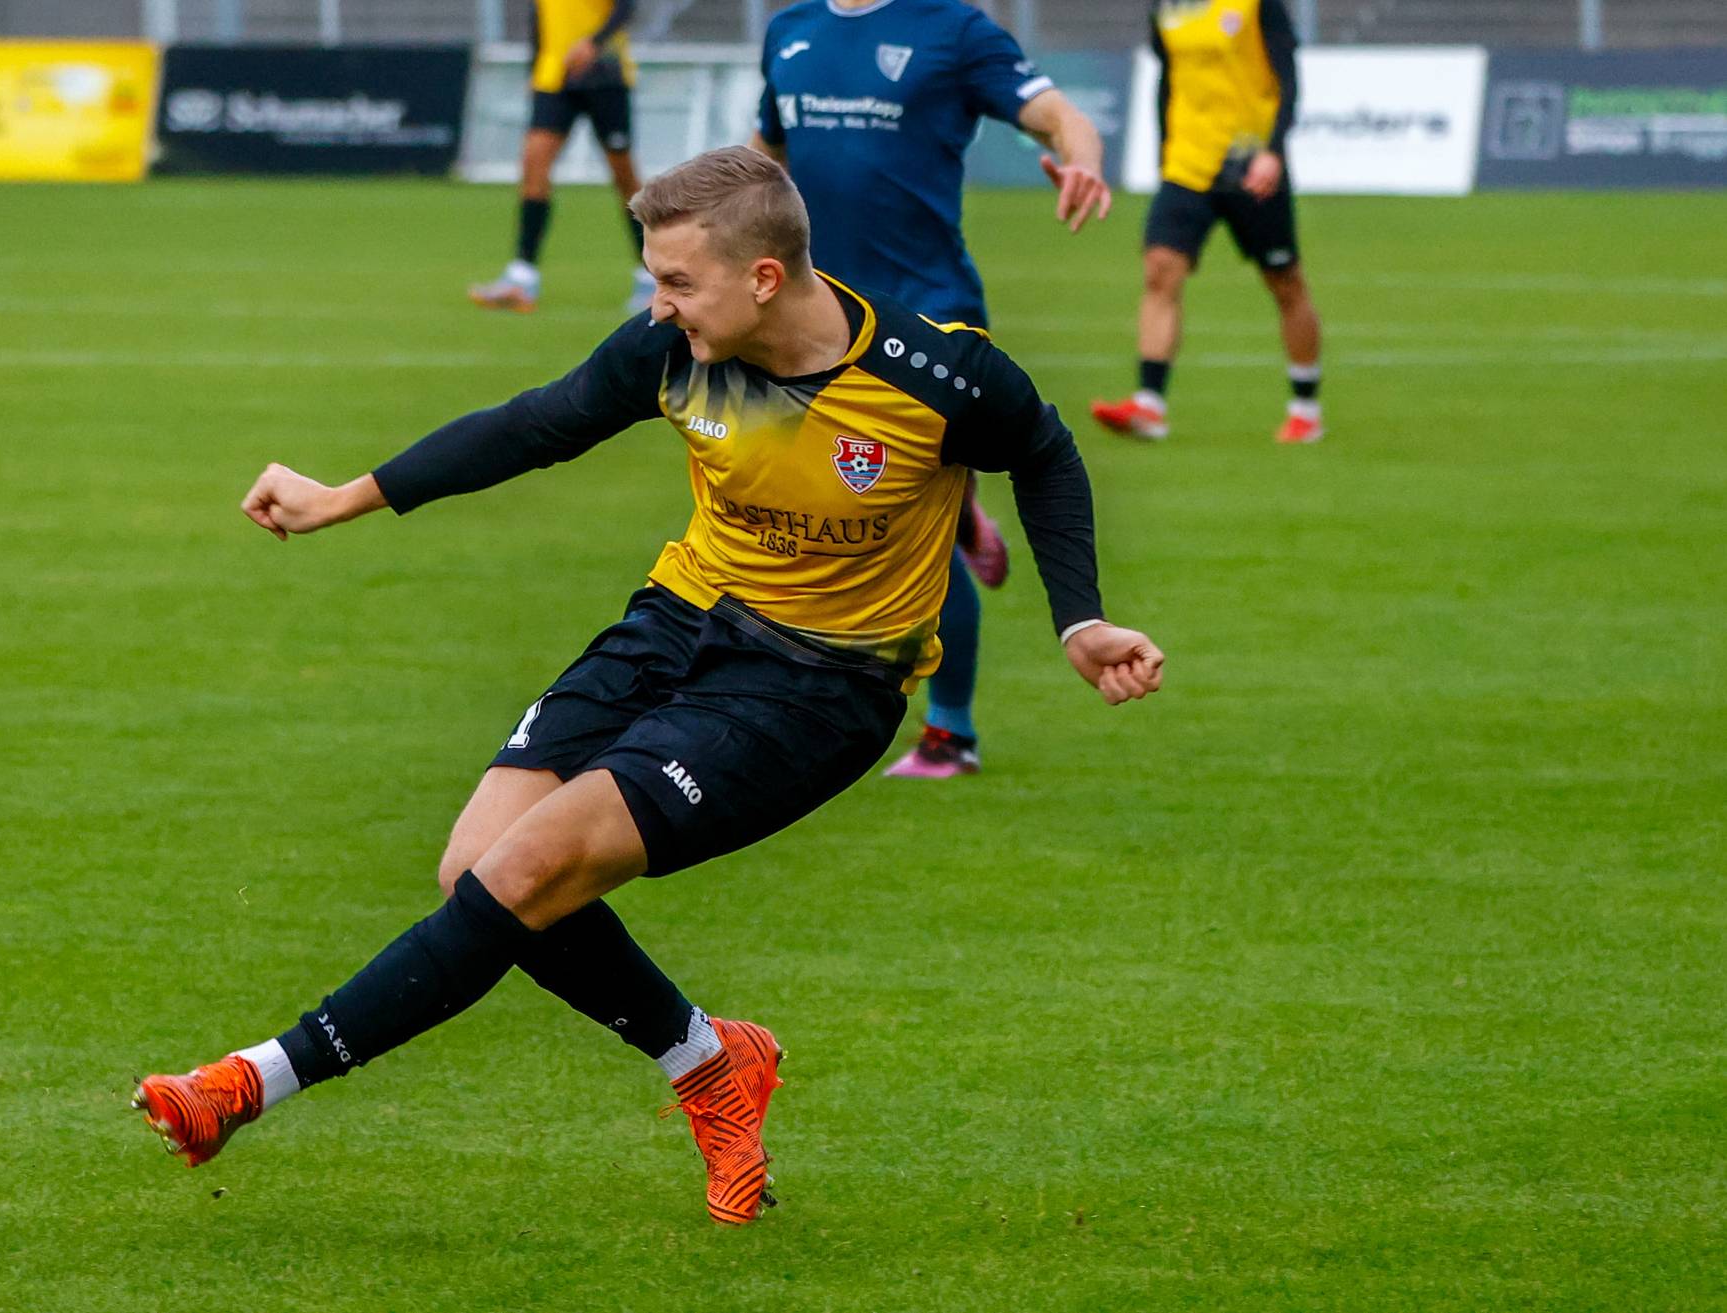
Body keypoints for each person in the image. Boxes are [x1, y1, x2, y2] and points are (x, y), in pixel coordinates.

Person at [134, 147, 1164, 1227]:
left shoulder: (933, 375)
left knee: (523, 871)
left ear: (764, 277)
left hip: (819, 686)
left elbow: (1044, 451)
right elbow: (540, 422)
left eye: (677, 281)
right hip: (675, 623)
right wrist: (343, 496)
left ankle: (244, 1083)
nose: (658, 303)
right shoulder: (674, 352)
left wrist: (1080, 620)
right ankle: (711, 1060)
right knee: (475, 871)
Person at [751, 0, 1115, 778]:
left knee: (913, 528)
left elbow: (1059, 115)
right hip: (817, 321)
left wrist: (1082, 160)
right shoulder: (790, 31)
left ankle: (951, 732)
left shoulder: (953, 30)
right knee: (822, 514)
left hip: (929, 315)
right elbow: (766, 156)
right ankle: (965, 513)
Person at [1091, 0, 1324, 445]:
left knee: (1285, 282)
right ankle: (1149, 405)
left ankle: (1305, 410)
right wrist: (1164, 154)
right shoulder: (1166, 6)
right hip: (1186, 165)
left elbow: (1288, 78)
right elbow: (1168, 78)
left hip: (1249, 162)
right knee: (1160, 269)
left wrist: (1274, 151)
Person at [469, 0, 656, 314]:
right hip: (553, 75)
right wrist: (534, 68)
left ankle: (651, 276)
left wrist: (594, 43)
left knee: (624, 177)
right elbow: (539, 16)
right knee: (533, 166)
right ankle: (521, 278)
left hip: (604, 71)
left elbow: (626, 6)